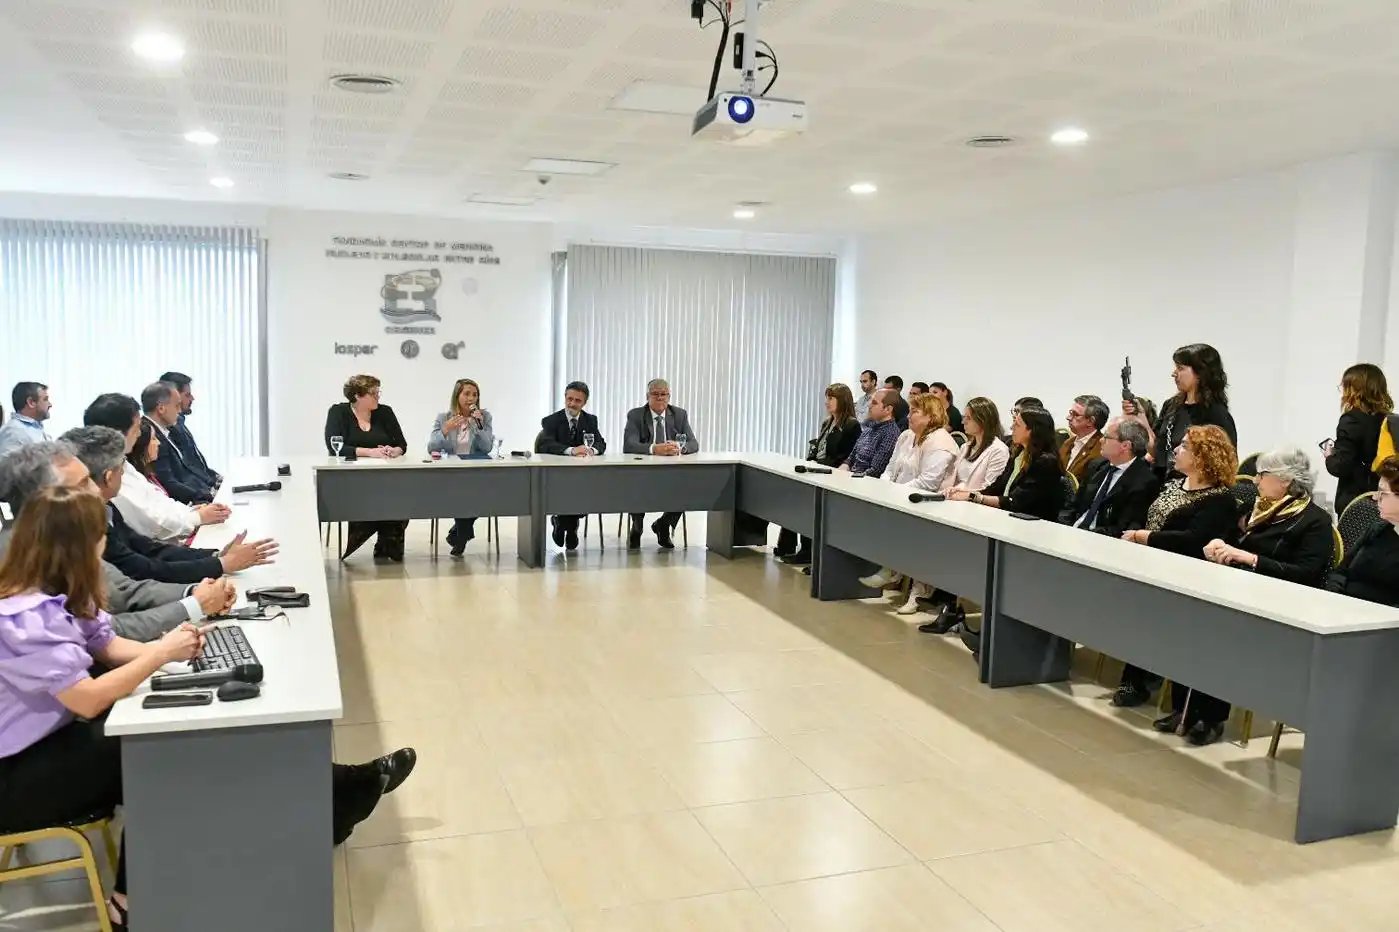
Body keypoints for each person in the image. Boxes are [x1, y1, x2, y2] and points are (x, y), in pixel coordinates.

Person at [0, 485, 418, 930]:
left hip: (54, 739)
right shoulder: (26, 617)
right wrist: (160, 656)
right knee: (160, 750)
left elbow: (106, 644)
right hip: (18, 775)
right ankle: (132, 898)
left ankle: (326, 797)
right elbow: (85, 696)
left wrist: (166, 645)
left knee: (184, 737)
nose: (105, 550)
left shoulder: (59, 591)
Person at [0, 441, 236, 640]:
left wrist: (196, 591)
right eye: (82, 484)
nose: (95, 489)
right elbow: (107, 631)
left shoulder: (67, 536)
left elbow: (126, 591)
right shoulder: (18, 562)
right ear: (48, 499)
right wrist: (196, 604)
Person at [1113, 424, 1239, 724]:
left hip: (1190, 578)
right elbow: (1148, 516)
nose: (1176, 450)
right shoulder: (1172, 483)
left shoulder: (1220, 500)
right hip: (1152, 567)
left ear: (1203, 456)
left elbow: (1192, 540)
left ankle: (1185, 708)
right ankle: (1138, 678)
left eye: (1184, 446)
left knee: (1176, 631)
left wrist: (1145, 538)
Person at [63, 426, 277, 585]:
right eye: (122, 469)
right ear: (109, 477)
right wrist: (220, 566)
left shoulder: (107, 508)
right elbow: (143, 569)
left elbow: (149, 550)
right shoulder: (84, 523)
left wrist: (217, 556)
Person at [859, 394, 960, 613]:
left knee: (916, 533)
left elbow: (929, 482)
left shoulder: (941, 442)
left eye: (915, 411)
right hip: (901, 498)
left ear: (931, 416)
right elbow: (890, 467)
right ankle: (890, 568)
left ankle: (919, 590)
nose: (909, 415)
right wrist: (885, 488)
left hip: (929, 503)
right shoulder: (906, 436)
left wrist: (895, 493)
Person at [85, 393, 230, 543]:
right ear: (118, 435)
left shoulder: (123, 463)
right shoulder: (109, 478)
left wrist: (192, 512)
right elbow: (154, 522)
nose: (140, 433)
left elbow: (158, 500)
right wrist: (198, 517)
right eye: (136, 429)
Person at [1205, 447, 1334, 586]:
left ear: (1286, 479)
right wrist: (1218, 543)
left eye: (1262, 474)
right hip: (1231, 581)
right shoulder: (1252, 507)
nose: (1255, 480)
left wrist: (1252, 560)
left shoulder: (1316, 521)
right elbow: (1229, 538)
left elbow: (1307, 574)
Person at [324, 375, 410, 561]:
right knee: (373, 499)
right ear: (357, 396)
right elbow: (334, 448)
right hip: (351, 479)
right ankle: (376, 538)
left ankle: (387, 543)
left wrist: (394, 450)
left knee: (400, 496)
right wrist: (370, 452)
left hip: (386, 478)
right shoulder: (338, 412)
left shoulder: (385, 412)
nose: (378, 396)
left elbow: (402, 444)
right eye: (373, 393)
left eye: (378, 392)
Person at [775, 383, 863, 566]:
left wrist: (818, 464)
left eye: (831, 398)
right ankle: (788, 545)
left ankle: (808, 551)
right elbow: (818, 449)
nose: (827, 402)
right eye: (827, 398)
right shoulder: (827, 422)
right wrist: (810, 462)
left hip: (832, 475)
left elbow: (844, 457)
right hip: (816, 471)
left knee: (806, 504)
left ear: (842, 401)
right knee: (790, 495)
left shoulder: (851, 426)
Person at [1125, 343, 1236, 479]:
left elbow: (1222, 466)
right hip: (1162, 484)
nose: (1174, 373)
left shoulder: (1216, 414)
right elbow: (1157, 452)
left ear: (1200, 373)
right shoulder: (1171, 406)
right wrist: (1141, 419)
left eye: (1180, 368)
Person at [623, 379, 699, 550]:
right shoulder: (636, 415)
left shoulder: (679, 414)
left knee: (688, 487)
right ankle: (637, 528)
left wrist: (680, 448)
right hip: (642, 471)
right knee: (635, 485)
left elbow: (693, 443)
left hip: (672, 471)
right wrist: (653, 449)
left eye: (663, 394)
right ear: (647, 396)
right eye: (655, 394)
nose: (659, 398)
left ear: (668, 396)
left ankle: (664, 525)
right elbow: (629, 444)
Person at [949, 407, 1065, 519]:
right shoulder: (1020, 454)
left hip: (1031, 524)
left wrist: (974, 497)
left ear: (1032, 430)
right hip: (1008, 517)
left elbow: (1015, 501)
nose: (1011, 427)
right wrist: (966, 492)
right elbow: (996, 487)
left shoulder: (1046, 462)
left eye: (1017, 425)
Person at [427, 378, 495, 557]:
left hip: (476, 470)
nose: (471, 398)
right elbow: (431, 447)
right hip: (452, 472)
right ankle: (463, 534)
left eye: (475, 395)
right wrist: (445, 430)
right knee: (463, 492)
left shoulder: (484, 417)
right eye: (466, 394)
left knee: (482, 493)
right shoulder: (444, 417)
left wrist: (479, 426)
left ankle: (458, 533)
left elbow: (487, 447)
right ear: (457, 396)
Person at [536, 381, 606, 551]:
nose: (572, 404)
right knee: (571, 490)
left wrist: (592, 451)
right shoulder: (551, 420)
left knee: (583, 489)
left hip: (582, 475)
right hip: (557, 477)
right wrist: (571, 450)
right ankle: (571, 527)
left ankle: (562, 523)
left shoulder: (590, 420)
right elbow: (545, 445)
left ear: (584, 402)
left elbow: (601, 443)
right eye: (569, 399)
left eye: (577, 400)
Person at [1064, 419, 1160, 537]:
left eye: (1106, 437)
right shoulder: (1096, 466)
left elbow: (1123, 528)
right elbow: (1073, 505)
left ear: (1125, 445)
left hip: (1100, 539)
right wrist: (1063, 527)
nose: (1101, 440)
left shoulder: (1144, 482)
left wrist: (1086, 535)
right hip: (1072, 530)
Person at [1326, 456, 1399, 606]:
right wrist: (1334, 598)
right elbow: (1340, 571)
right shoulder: (1378, 528)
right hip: (1343, 607)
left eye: (1382, 493)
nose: (1374, 496)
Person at [1326, 363, 1392, 514]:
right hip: (1383, 499)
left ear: (1353, 390)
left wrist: (1329, 456)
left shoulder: (1351, 420)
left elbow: (1341, 466)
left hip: (1355, 502)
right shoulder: (1389, 420)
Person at [140, 381, 213, 505]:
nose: (179, 411)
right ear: (161, 409)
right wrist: (205, 496)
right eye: (176, 406)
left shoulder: (165, 430)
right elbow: (168, 482)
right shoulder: (149, 436)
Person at [158, 371, 222, 489]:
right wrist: (212, 486)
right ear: (174, 395)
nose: (192, 398)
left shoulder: (180, 423)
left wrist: (215, 478)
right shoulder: (172, 429)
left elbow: (198, 464)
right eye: (187, 395)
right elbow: (189, 469)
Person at [840, 389, 900, 479]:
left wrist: (850, 478)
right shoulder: (869, 427)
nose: (869, 405)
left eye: (874, 403)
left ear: (888, 409)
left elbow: (875, 471)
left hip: (865, 483)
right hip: (852, 476)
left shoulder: (891, 433)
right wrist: (845, 466)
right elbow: (852, 456)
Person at [1061, 394, 1109, 481]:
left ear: (1090, 421)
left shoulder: (1102, 448)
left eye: (1075, 415)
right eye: (1070, 413)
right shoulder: (1067, 443)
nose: (1068, 418)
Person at [0, 381, 52, 457]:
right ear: (31, 402)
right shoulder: (13, 431)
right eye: (45, 399)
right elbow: (8, 467)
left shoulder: (34, 428)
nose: (50, 404)